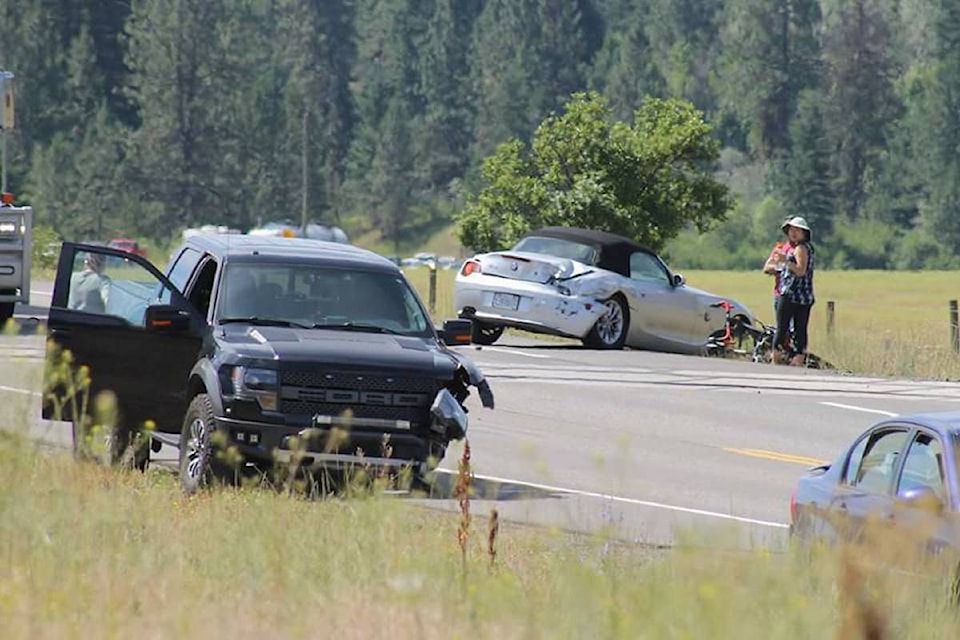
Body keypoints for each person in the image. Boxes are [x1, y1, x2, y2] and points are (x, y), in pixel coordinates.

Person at [772, 216, 815, 366]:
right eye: (791, 230)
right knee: (798, 329)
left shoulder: (801, 248)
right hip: (803, 294)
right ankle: (794, 357)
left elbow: (800, 270)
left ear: (804, 233)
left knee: (784, 328)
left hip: (793, 294)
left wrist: (786, 261)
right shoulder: (801, 248)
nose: (794, 233)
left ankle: (779, 358)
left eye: (797, 230)